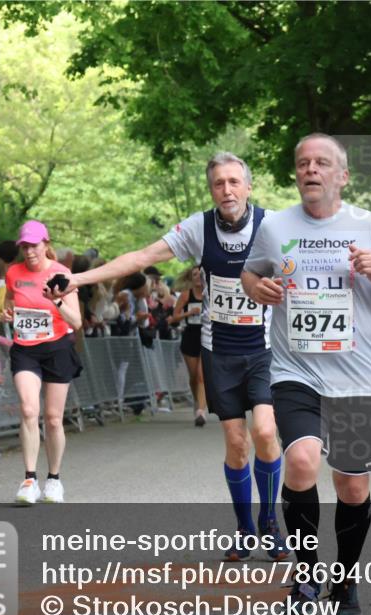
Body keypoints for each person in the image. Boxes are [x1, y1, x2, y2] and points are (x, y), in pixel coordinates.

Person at [53, 152, 291, 562]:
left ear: (248, 187)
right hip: (219, 351)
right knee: (236, 443)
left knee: (266, 433)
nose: (227, 190)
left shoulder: (272, 226)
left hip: (264, 349)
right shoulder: (198, 228)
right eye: (219, 183)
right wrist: (77, 278)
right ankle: (245, 528)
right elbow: (142, 258)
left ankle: (270, 522)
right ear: (211, 189)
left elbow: (313, 263)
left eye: (235, 182)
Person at [241, 133, 371, 615]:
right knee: (299, 460)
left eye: (321, 163)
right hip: (296, 370)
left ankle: (346, 580)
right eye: (302, 163)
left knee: (351, 484)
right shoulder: (275, 225)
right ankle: (305, 573)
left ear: (343, 175)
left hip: (357, 376)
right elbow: (250, 276)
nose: (309, 170)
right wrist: (262, 287)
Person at [2, 220, 83, 504]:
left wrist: (57, 301)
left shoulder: (62, 273)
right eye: (24, 246)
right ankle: (28, 480)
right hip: (25, 348)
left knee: (52, 418)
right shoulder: (13, 272)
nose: (29, 251)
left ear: (46, 244)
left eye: (34, 245)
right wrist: (8, 313)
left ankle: (54, 480)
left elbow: (77, 321)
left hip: (57, 348)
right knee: (27, 409)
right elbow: (11, 302)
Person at [170, 265, 208, 426]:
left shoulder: (210, 295)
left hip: (206, 335)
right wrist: (188, 313)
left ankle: (201, 411)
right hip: (190, 336)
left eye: (201, 275)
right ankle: (197, 401)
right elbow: (174, 318)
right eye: (195, 275)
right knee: (193, 377)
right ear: (191, 278)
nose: (198, 277)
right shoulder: (186, 295)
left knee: (201, 376)